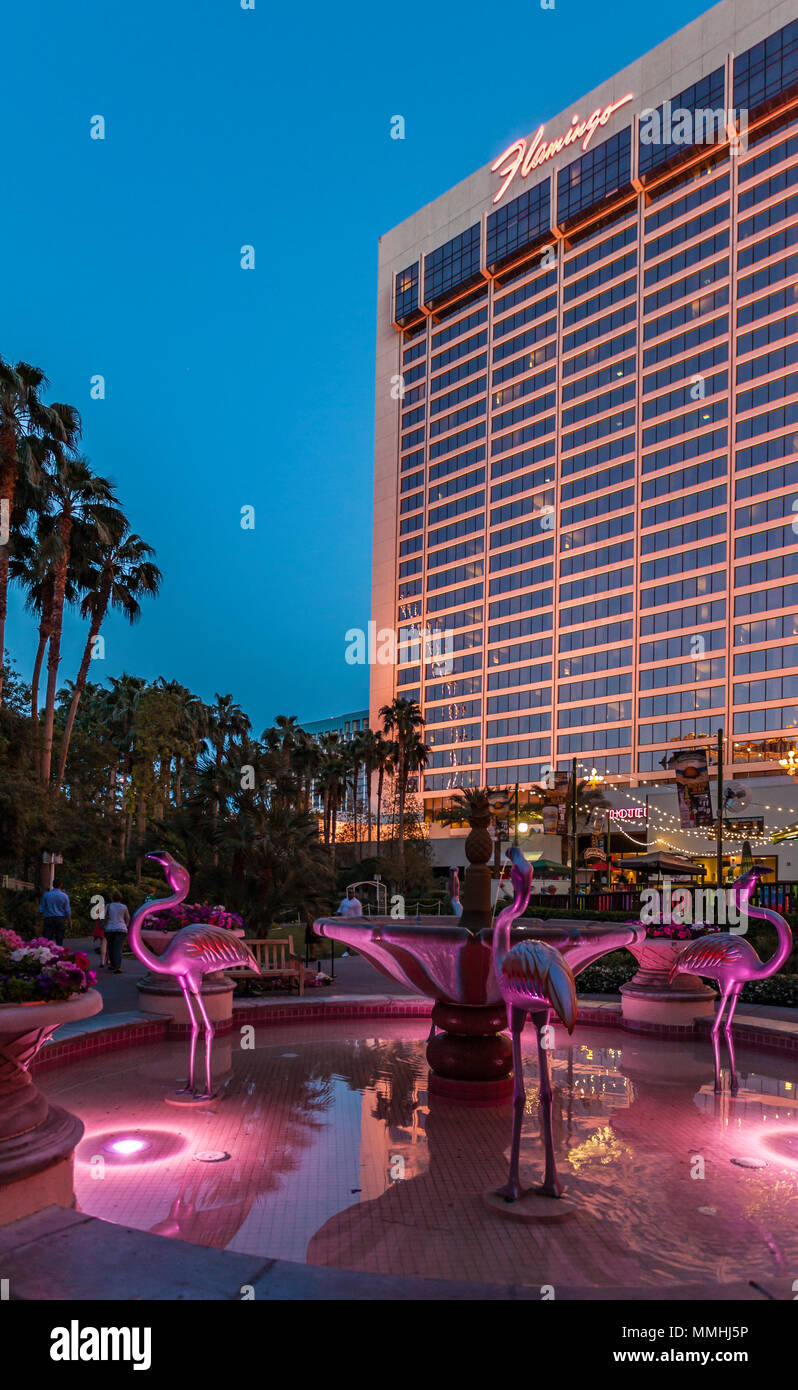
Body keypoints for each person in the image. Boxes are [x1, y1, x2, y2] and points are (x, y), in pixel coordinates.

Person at [38, 880, 72, 946]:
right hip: (60, 919)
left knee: (47, 939)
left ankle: (47, 954)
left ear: (53, 885)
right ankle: (58, 954)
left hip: (48, 919)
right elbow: (67, 910)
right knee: (59, 939)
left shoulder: (46, 895)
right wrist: (70, 921)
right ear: (61, 885)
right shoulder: (64, 896)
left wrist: (39, 920)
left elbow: (41, 908)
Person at [103, 891, 130, 973]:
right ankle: (117, 967)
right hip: (121, 929)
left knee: (110, 947)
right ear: (120, 898)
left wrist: (104, 925)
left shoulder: (108, 905)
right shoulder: (124, 907)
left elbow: (103, 916)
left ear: (112, 898)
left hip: (110, 928)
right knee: (118, 948)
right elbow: (128, 918)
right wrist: (126, 925)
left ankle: (112, 965)